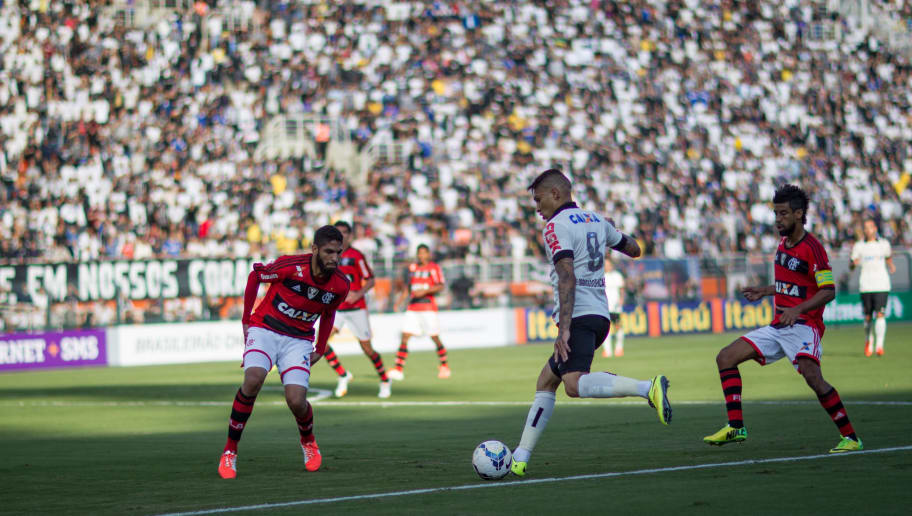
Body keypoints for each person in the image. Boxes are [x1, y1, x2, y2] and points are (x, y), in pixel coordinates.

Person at [510, 169, 672, 477]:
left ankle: (647, 388)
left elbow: (567, 275)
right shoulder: (595, 220)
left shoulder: (555, 226)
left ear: (556, 194)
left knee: (573, 384)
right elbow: (635, 249)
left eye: (538, 198)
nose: (536, 207)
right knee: (546, 381)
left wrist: (565, 328)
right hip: (600, 315)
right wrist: (610, 232)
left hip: (580, 317)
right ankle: (520, 457)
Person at [703, 184, 862, 453]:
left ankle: (851, 438)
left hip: (804, 326)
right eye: (776, 213)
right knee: (725, 357)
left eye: (783, 214)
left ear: (799, 214)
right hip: (779, 325)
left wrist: (798, 310)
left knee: (813, 378)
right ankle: (735, 426)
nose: (778, 219)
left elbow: (828, 290)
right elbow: (791, 284)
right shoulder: (782, 244)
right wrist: (766, 291)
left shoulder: (813, 248)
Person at [217, 225, 351, 479]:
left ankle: (308, 442)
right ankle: (230, 451)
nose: (335, 258)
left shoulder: (340, 285)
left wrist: (320, 348)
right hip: (265, 328)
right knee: (253, 378)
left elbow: (329, 312)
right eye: (329, 252)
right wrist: (246, 321)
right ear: (315, 249)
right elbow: (256, 276)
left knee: (296, 400)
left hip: (298, 339)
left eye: (338, 252)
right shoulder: (290, 266)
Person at [322, 221, 392, 398]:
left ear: (350, 235)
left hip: (356, 308)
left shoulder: (356, 256)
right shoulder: (328, 257)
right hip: (336, 308)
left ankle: (384, 379)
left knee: (367, 349)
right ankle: (343, 375)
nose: (342, 236)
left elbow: (370, 280)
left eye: (345, 232)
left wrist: (358, 294)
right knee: (320, 344)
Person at [387, 244, 451, 380]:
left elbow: (440, 285)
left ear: (428, 254)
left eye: (424, 253)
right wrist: (399, 302)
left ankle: (444, 365)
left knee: (435, 338)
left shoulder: (434, 268)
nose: (421, 256)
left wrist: (425, 291)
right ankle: (398, 368)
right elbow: (408, 288)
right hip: (413, 308)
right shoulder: (413, 268)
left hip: (428, 307)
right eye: (419, 253)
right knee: (405, 336)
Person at [850, 218, 896, 357]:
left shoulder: (883, 244)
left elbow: (888, 256)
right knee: (868, 317)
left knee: (881, 314)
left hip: (882, 284)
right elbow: (851, 265)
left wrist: (891, 265)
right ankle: (868, 340)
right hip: (866, 285)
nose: (867, 230)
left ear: (875, 228)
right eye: (865, 227)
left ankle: (879, 346)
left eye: (870, 227)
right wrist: (853, 263)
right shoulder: (859, 246)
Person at [602, 259, 626, 357]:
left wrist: (621, 300)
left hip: (616, 307)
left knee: (618, 327)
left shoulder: (617, 276)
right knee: (606, 330)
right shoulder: (601, 277)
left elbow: (622, 290)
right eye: (606, 265)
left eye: (609, 264)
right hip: (605, 307)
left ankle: (619, 348)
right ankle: (608, 351)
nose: (608, 266)